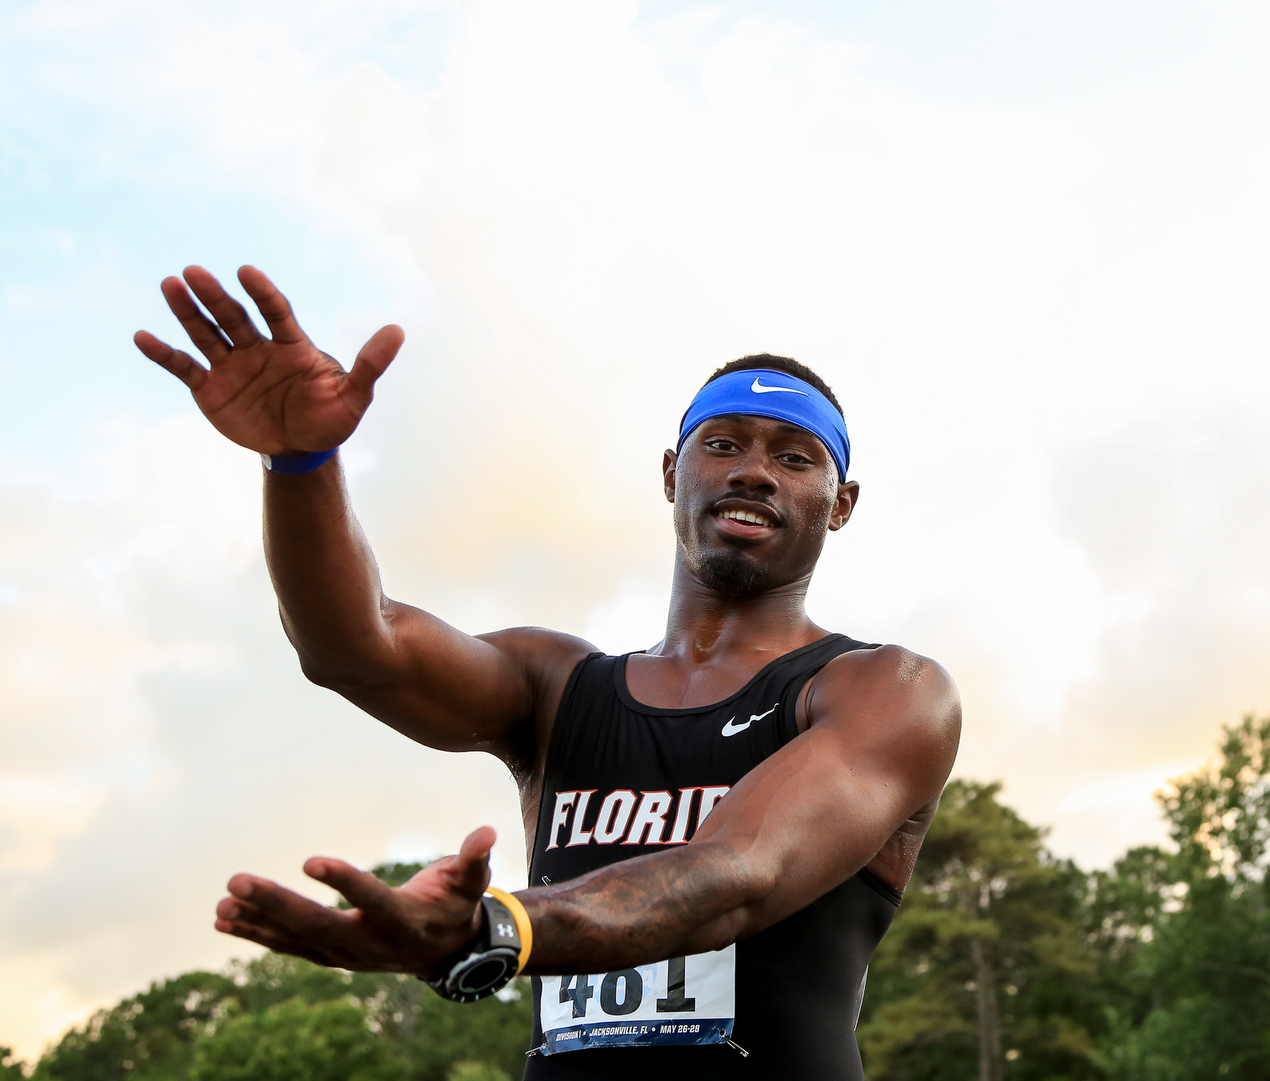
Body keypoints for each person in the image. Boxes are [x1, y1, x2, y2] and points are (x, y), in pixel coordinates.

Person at [133, 265, 962, 1080]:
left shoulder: (887, 691)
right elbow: (357, 648)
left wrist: (494, 930)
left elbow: (739, 874)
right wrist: (300, 465)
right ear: (672, 472)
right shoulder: (556, 684)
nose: (753, 469)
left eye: (794, 456)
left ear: (841, 503)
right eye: (723, 443)